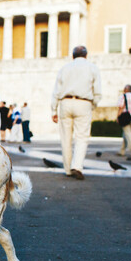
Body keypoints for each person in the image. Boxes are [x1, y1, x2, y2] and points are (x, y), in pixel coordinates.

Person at [51, 45, 102, 180]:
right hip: (84, 102)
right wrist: (92, 105)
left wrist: (53, 109)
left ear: (73, 56)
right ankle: (77, 166)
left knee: (65, 138)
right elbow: (97, 91)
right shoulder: (92, 68)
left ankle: (67, 169)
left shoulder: (64, 68)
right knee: (82, 137)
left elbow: (56, 91)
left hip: (65, 102)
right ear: (86, 55)